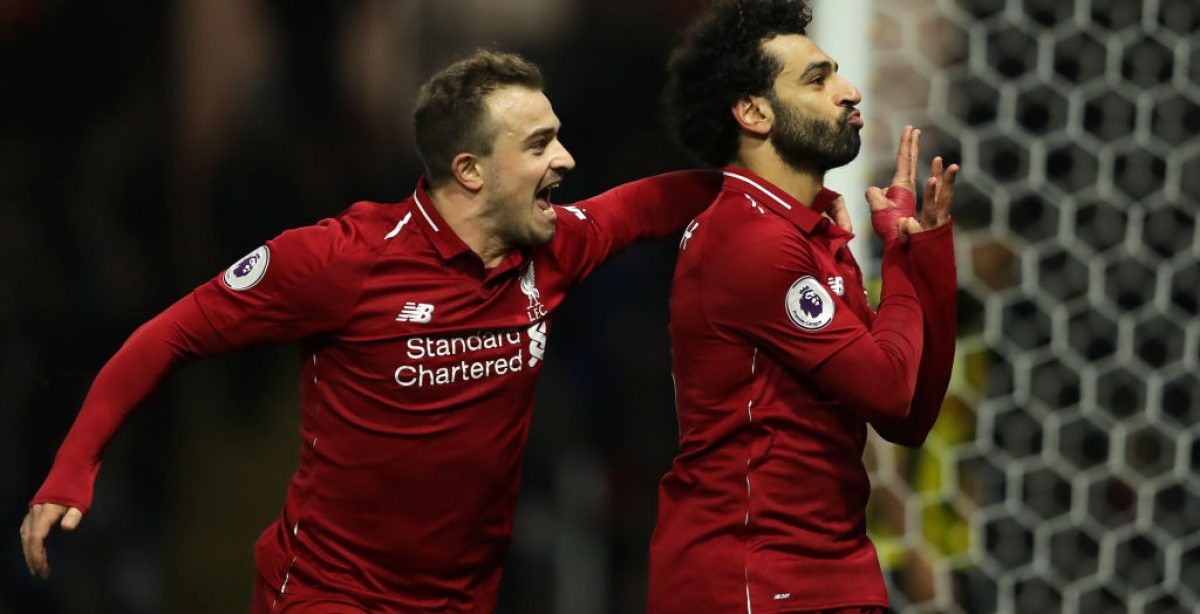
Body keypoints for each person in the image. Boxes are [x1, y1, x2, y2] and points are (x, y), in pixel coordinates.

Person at [21, 50, 722, 613]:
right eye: (540, 144)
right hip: (332, 594)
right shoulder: (341, 260)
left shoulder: (553, 248)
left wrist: (769, 185)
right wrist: (72, 468)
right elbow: (170, 335)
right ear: (470, 171)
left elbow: (646, 206)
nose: (566, 159)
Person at [647, 0, 958, 613]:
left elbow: (909, 416)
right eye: (818, 80)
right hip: (754, 582)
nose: (850, 91)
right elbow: (890, 391)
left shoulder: (811, 236)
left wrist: (924, 253)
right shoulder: (750, 241)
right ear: (753, 113)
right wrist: (899, 260)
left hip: (830, 575)